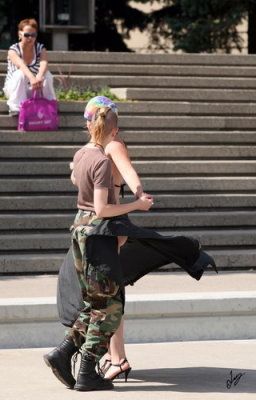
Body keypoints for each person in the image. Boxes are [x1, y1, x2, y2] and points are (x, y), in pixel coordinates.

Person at [44, 96, 152, 388]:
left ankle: (69, 354)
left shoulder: (82, 154)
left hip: (81, 227)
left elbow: (78, 181)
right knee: (109, 304)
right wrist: (138, 203)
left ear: (89, 124)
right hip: (100, 231)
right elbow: (103, 209)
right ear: (112, 129)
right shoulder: (104, 158)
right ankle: (89, 368)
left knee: (97, 302)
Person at [3, 18, 56, 116]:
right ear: (20, 35)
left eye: (33, 35)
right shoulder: (13, 50)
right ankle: (15, 108)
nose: (30, 38)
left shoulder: (40, 48)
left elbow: (44, 62)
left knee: (47, 75)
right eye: (27, 35)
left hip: (34, 87)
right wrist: (32, 78)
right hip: (15, 88)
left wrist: (39, 76)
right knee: (20, 73)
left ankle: (50, 104)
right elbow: (21, 65)